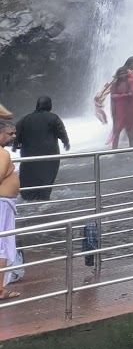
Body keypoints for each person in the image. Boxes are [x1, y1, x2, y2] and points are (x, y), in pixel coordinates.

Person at [14, 96, 69, 201]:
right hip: (49, 157)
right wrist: (66, 142)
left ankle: (28, 200)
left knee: (28, 181)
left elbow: (15, 134)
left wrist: (16, 145)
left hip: (28, 157)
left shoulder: (25, 119)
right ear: (49, 105)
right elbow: (61, 132)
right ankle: (43, 201)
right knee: (46, 179)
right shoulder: (53, 118)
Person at [0, 119, 19, 297]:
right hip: (2, 205)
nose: (13, 136)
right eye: (9, 133)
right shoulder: (3, 154)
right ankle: (0, 289)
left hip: (4, 203)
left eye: (14, 133)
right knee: (2, 245)